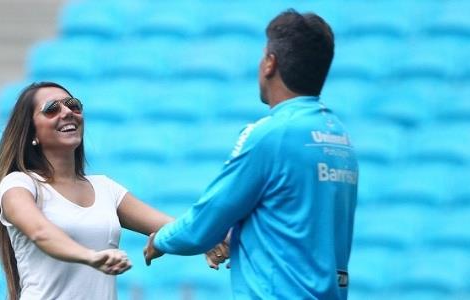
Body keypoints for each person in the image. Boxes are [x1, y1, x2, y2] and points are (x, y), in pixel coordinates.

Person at [144, 9, 358, 300]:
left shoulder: (271, 134)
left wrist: (162, 239)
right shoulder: (337, 135)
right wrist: (244, 239)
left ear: (270, 63)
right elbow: (297, 221)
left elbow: (205, 221)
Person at [0, 82, 226, 300]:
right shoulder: (19, 184)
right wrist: (90, 256)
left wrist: (210, 239)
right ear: (31, 132)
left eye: (73, 105)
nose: (67, 112)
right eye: (51, 109)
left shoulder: (105, 188)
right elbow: (40, 232)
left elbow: (170, 226)